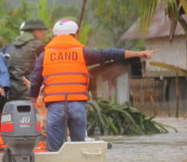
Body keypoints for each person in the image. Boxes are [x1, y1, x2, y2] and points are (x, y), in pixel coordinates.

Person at [29, 19, 155, 151]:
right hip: (77, 106)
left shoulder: (45, 55)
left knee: (54, 150)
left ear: (55, 36)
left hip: (55, 106)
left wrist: (33, 99)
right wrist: (138, 54)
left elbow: (36, 80)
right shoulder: (83, 53)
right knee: (79, 148)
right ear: (75, 35)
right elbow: (108, 54)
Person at [7, 17, 49, 100]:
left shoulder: (14, 44)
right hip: (29, 92)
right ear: (36, 30)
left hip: (12, 91)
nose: (44, 34)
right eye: (42, 30)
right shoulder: (38, 45)